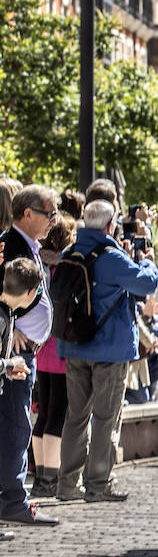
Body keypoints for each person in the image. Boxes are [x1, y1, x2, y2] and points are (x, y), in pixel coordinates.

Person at [55, 200, 158, 502]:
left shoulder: (69, 253)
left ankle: (67, 484)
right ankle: (98, 483)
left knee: (76, 417)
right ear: (110, 225)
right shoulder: (111, 257)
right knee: (105, 418)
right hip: (109, 349)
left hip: (74, 346)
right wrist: (147, 260)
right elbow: (146, 283)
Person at [0, 185, 60, 525]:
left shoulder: (29, 246)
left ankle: (13, 498)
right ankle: (12, 500)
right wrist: (12, 328)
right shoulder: (10, 245)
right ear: (27, 214)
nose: (54, 220)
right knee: (15, 426)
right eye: (49, 214)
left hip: (25, 354)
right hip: (13, 356)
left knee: (18, 425)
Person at [29, 212, 77, 498]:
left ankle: (40, 477)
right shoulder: (63, 269)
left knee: (44, 412)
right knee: (57, 413)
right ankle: (51, 477)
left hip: (41, 347)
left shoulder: (38, 262)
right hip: (59, 347)